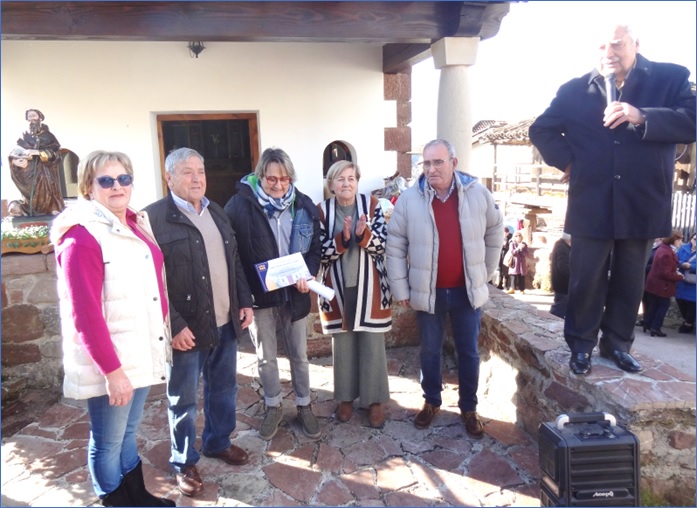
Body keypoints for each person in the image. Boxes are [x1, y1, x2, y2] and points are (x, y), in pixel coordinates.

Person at [528, 23, 696, 375]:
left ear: (636, 44)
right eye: (602, 45)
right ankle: (581, 346)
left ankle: (618, 344)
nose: (609, 52)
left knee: (630, 277)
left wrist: (642, 115)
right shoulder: (574, 90)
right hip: (591, 199)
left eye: (617, 44)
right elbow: (540, 129)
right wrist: (570, 160)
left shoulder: (671, 78)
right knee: (585, 277)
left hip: (642, 199)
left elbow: (691, 120)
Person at [51, 151, 175, 507]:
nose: (117, 186)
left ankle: (136, 495)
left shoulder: (132, 223)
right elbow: (86, 315)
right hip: (114, 362)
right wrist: (113, 371)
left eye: (123, 179)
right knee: (107, 441)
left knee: (127, 433)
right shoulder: (82, 237)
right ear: (90, 187)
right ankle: (116, 501)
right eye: (106, 180)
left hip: (137, 350)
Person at [143, 148, 254, 498]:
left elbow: (233, 260)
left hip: (224, 322)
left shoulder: (216, 211)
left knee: (224, 390)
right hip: (186, 330)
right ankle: (184, 461)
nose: (196, 178)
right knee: (184, 399)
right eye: (187, 171)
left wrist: (244, 301)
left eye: (201, 171)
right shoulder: (153, 218)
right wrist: (174, 325)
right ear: (169, 177)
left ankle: (218, 442)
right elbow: (152, 280)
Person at [386, 139, 503, 438]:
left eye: (438, 162)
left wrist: (486, 272)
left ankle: (469, 407)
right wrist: (402, 289)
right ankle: (432, 401)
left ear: (454, 162)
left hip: (467, 292)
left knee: (468, 352)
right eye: (426, 163)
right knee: (429, 352)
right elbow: (395, 246)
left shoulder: (478, 194)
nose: (431, 168)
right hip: (429, 292)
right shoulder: (410, 200)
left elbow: (494, 231)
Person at [224, 147, 322, 441]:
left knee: (299, 355)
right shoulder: (238, 206)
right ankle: (273, 405)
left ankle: (304, 405)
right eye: (271, 179)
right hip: (260, 297)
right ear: (260, 177)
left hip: (295, 294)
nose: (278, 185)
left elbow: (314, 248)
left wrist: (308, 273)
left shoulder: (303, 205)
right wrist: (244, 297)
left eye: (284, 179)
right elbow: (235, 257)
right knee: (266, 357)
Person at [317, 160, 392, 429]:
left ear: (357, 181)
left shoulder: (371, 206)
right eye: (340, 179)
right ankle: (346, 399)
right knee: (344, 344)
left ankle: (374, 402)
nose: (346, 183)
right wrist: (342, 238)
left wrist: (363, 235)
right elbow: (318, 252)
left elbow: (383, 245)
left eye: (351, 178)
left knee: (372, 344)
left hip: (370, 286)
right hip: (336, 288)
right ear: (332, 184)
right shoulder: (322, 211)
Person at [8, 108, 65, 216]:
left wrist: (38, 152)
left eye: (34, 116)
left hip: (44, 171)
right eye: (29, 117)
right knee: (30, 193)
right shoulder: (24, 135)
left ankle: (50, 208)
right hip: (28, 171)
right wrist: (15, 161)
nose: (31, 119)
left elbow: (56, 153)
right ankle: (31, 209)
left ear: (40, 118)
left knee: (45, 192)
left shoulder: (48, 136)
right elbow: (15, 152)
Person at [643, 231, 684, 336]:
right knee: (663, 306)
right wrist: (679, 276)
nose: (680, 242)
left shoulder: (663, 249)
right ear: (672, 240)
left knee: (654, 305)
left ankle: (648, 324)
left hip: (655, 284)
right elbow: (665, 273)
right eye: (678, 240)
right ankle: (655, 328)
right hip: (662, 286)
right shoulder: (667, 252)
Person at [676, 232, 696, 334]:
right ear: (691, 238)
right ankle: (686, 320)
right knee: (680, 300)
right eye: (694, 239)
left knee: (692, 303)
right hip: (682, 279)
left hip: (693, 283)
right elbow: (675, 258)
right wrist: (682, 264)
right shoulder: (684, 248)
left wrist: (691, 266)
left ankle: (689, 323)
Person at [549, 233, 572, 319]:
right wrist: (573, 277)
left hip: (561, 283)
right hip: (562, 284)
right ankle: (548, 324)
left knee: (561, 308)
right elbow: (563, 267)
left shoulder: (560, 245)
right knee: (558, 310)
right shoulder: (562, 248)